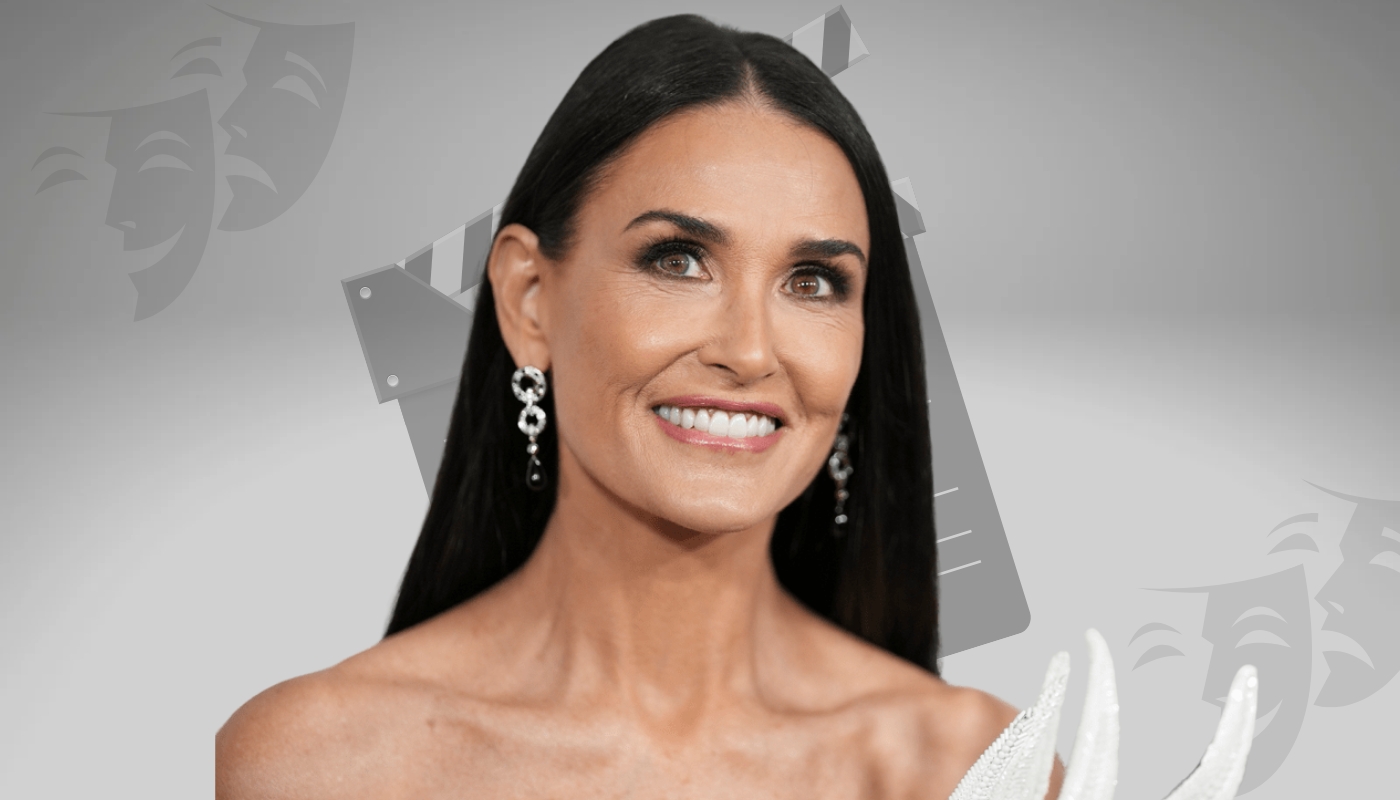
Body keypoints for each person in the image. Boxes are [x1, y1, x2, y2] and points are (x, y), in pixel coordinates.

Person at [216, 14, 1066, 799]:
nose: (749, 349)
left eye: (813, 282)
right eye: (678, 260)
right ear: (529, 298)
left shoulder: (979, 771)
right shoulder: (316, 763)